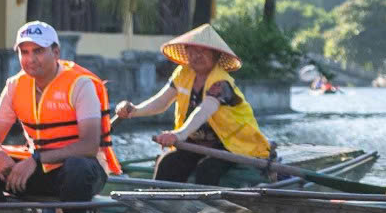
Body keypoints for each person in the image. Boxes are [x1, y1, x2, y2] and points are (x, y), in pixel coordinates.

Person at [110, 22, 274, 185]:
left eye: (204, 51)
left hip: (231, 146)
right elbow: (161, 101)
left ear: (216, 55)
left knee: (207, 169)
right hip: (195, 144)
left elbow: (204, 110)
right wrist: (134, 110)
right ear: (186, 53)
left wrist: (178, 135)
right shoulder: (183, 73)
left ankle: (204, 203)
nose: (197, 56)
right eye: (193, 51)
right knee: (168, 162)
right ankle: (157, 200)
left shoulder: (221, 82)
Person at [0, 21, 116, 202]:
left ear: (56, 53)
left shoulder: (80, 85)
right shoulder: (14, 85)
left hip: (76, 170)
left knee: (77, 167)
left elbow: (89, 145)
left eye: (38, 51)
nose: (31, 59)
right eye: (24, 52)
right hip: (35, 169)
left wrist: (37, 159)